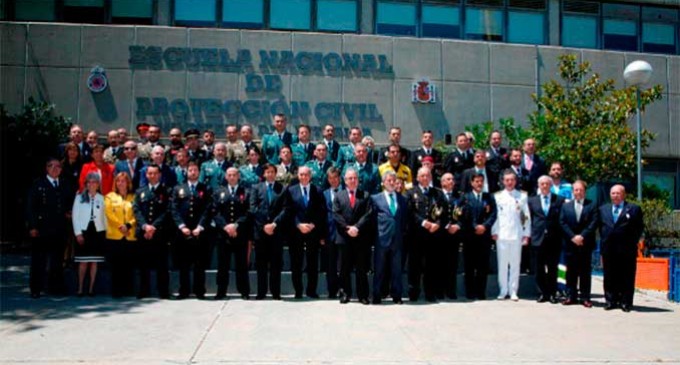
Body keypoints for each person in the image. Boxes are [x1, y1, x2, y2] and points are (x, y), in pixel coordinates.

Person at [26, 158, 75, 298]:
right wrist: (33, 226)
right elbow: (31, 207)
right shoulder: (38, 184)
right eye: (51, 166)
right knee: (38, 260)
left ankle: (55, 287)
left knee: (57, 260)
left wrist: (69, 211)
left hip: (59, 228)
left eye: (58, 166)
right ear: (46, 168)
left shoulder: (65, 184)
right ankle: (35, 288)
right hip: (41, 229)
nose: (55, 169)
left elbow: (69, 202)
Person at [598, 184, 643, 312]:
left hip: (626, 249)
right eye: (613, 193)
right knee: (609, 275)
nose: (615, 196)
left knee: (627, 276)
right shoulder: (603, 209)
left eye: (618, 193)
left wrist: (631, 241)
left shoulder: (633, 209)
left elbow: (639, 228)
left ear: (624, 195)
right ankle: (610, 300)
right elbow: (602, 228)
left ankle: (626, 302)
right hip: (609, 248)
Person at [170, 161, 212, 299]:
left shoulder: (205, 188)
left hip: (199, 232)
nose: (193, 172)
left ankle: (200, 291)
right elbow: (174, 209)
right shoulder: (178, 189)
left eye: (195, 170)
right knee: (184, 264)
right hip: (183, 232)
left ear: (199, 172)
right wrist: (182, 226)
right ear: (186, 172)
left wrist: (200, 227)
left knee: (200, 263)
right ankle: (184, 291)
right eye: (190, 170)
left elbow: (208, 209)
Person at [285, 166, 327, 299]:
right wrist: (298, 224)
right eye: (301, 174)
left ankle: (311, 290)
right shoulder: (291, 191)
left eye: (306, 174)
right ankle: (298, 290)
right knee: (296, 263)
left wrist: (313, 224)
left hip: (312, 232)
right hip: (296, 232)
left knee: (312, 263)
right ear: (298, 176)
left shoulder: (318, 191)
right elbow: (288, 211)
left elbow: (321, 211)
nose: (304, 177)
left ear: (310, 176)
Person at [333, 168, 373, 305]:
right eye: (350, 178)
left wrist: (357, 227)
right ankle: (345, 293)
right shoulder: (339, 196)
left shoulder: (365, 195)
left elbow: (368, 214)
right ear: (345, 181)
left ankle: (363, 295)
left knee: (361, 268)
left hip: (360, 238)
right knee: (344, 268)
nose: (353, 180)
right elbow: (336, 215)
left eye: (355, 178)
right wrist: (347, 228)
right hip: (344, 238)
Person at [212, 167, 251, 300]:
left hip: (240, 234)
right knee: (223, 264)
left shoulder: (246, 192)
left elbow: (248, 212)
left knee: (242, 264)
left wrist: (236, 225)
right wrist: (226, 226)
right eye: (229, 175)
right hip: (224, 235)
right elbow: (215, 212)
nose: (232, 177)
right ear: (226, 177)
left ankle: (244, 291)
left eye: (234, 175)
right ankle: (221, 291)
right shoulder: (218, 192)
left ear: (238, 176)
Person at [133, 164, 171, 299]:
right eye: (150, 173)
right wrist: (145, 226)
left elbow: (167, 211)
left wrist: (153, 226)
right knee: (143, 264)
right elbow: (136, 210)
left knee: (162, 264)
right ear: (146, 175)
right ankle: (144, 290)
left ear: (160, 175)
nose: (152, 176)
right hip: (143, 233)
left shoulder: (166, 191)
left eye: (155, 173)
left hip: (160, 233)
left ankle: (163, 291)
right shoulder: (140, 191)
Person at [492, 169, 531, 301]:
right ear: (503, 181)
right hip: (502, 235)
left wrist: (526, 234)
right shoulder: (497, 196)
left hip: (516, 234)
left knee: (515, 264)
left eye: (512, 180)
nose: (509, 182)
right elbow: (495, 216)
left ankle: (513, 290)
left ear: (515, 181)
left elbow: (526, 216)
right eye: (507, 180)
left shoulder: (522, 196)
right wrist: (494, 231)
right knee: (502, 264)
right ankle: (503, 290)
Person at [406, 167, 443, 302]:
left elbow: (442, 211)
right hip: (416, 235)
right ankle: (413, 293)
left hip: (433, 235)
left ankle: (430, 293)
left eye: (428, 175)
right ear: (417, 178)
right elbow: (410, 212)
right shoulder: (410, 193)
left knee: (431, 265)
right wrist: (423, 223)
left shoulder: (437, 193)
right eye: (422, 176)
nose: (425, 178)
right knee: (414, 266)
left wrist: (437, 223)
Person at [250, 164, 287, 300]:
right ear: (264, 174)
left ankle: (276, 292)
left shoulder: (282, 189)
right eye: (268, 172)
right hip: (260, 232)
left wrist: (274, 224)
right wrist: (265, 225)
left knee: (276, 263)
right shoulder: (256, 188)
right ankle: (261, 292)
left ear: (275, 173)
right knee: (261, 264)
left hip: (276, 232)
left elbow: (285, 209)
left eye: (272, 172)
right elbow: (253, 208)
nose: (270, 174)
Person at [371, 171, 408, 304]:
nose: (392, 183)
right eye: (389, 181)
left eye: (393, 180)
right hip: (381, 239)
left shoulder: (402, 199)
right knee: (379, 269)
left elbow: (404, 219)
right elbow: (372, 219)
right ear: (383, 183)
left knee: (396, 270)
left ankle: (397, 296)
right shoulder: (375, 198)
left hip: (397, 239)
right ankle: (377, 295)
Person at [560, 180, 598, 308]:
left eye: (580, 190)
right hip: (570, 244)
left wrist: (582, 236)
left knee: (585, 272)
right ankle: (571, 296)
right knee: (570, 271)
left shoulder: (592, 205)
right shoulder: (566, 206)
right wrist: (573, 237)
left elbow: (593, 223)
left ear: (585, 192)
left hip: (585, 244)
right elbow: (562, 223)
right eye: (576, 190)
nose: (578, 192)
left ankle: (585, 297)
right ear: (573, 191)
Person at [528, 175, 565, 303]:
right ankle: (542, 293)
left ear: (550, 185)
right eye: (542, 184)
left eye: (547, 184)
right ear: (539, 186)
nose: (544, 186)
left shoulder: (559, 200)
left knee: (553, 268)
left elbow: (562, 220)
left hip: (554, 239)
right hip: (538, 238)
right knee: (539, 268)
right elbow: (529, 220)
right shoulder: (532, 201)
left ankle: (552, 294)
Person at [461, 173, 497, 300]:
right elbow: (462, 215)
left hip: (484, 236)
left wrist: (485, 226)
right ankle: (470, 292)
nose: (479, 184)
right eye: (476, 181)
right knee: (469, 265)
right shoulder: (465, 197)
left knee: (483, 266)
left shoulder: (489, 197)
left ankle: (481, 292)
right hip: (470, 236)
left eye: (481, 181)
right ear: (472, 183)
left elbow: (493, 214)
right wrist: (474, 226)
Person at [71, 173, 106, 296]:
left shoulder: (102, 198)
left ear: (98, 184)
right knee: (83, 262)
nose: (91, 184)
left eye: (94, 182)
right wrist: (78, 233)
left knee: (94, 262)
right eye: (89, 182)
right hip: (84, 232)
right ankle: (80, 288)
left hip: (97, 232)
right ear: (86, 184)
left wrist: (106, 233)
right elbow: (75, 216)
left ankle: (91, 289)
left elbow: (105, 217)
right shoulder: (79, 197)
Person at [105, 172, 137, 298]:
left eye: (123, 181)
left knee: (128, 265)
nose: (121, 183)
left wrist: (128, 225)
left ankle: (128, 290)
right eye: (118, 181)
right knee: (116, 265)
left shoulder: (134, 197)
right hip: (115, 235)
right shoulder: (109, 197)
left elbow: (137, 214)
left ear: (128, 183)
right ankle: (116, 291)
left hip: (130, 235)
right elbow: (109, 214)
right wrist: (121, 226)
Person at [439, 172, 465, 299]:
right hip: (440, 235)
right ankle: (440, 291)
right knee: (440, 264)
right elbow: (435, 213)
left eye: (452, 179)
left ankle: (451, 290)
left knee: (452, 264)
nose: (451, 181)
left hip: (454, 235)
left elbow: (464, 214)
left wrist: (458, 225)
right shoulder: (437, 195)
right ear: (442, 182)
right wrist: (445, 226)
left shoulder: (459, 197)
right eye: (448, 179)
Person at [323, 167, 343, 299]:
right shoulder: (323, 194)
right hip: (329, 233)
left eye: (335, 177)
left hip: (342, 233)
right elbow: (321, 215)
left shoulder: (346, 192)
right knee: (330, 264)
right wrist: (322, 235)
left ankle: (342, 289)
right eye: (330, 178)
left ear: (339, 178)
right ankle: (331, 290)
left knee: (342, 263)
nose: (333, 180)